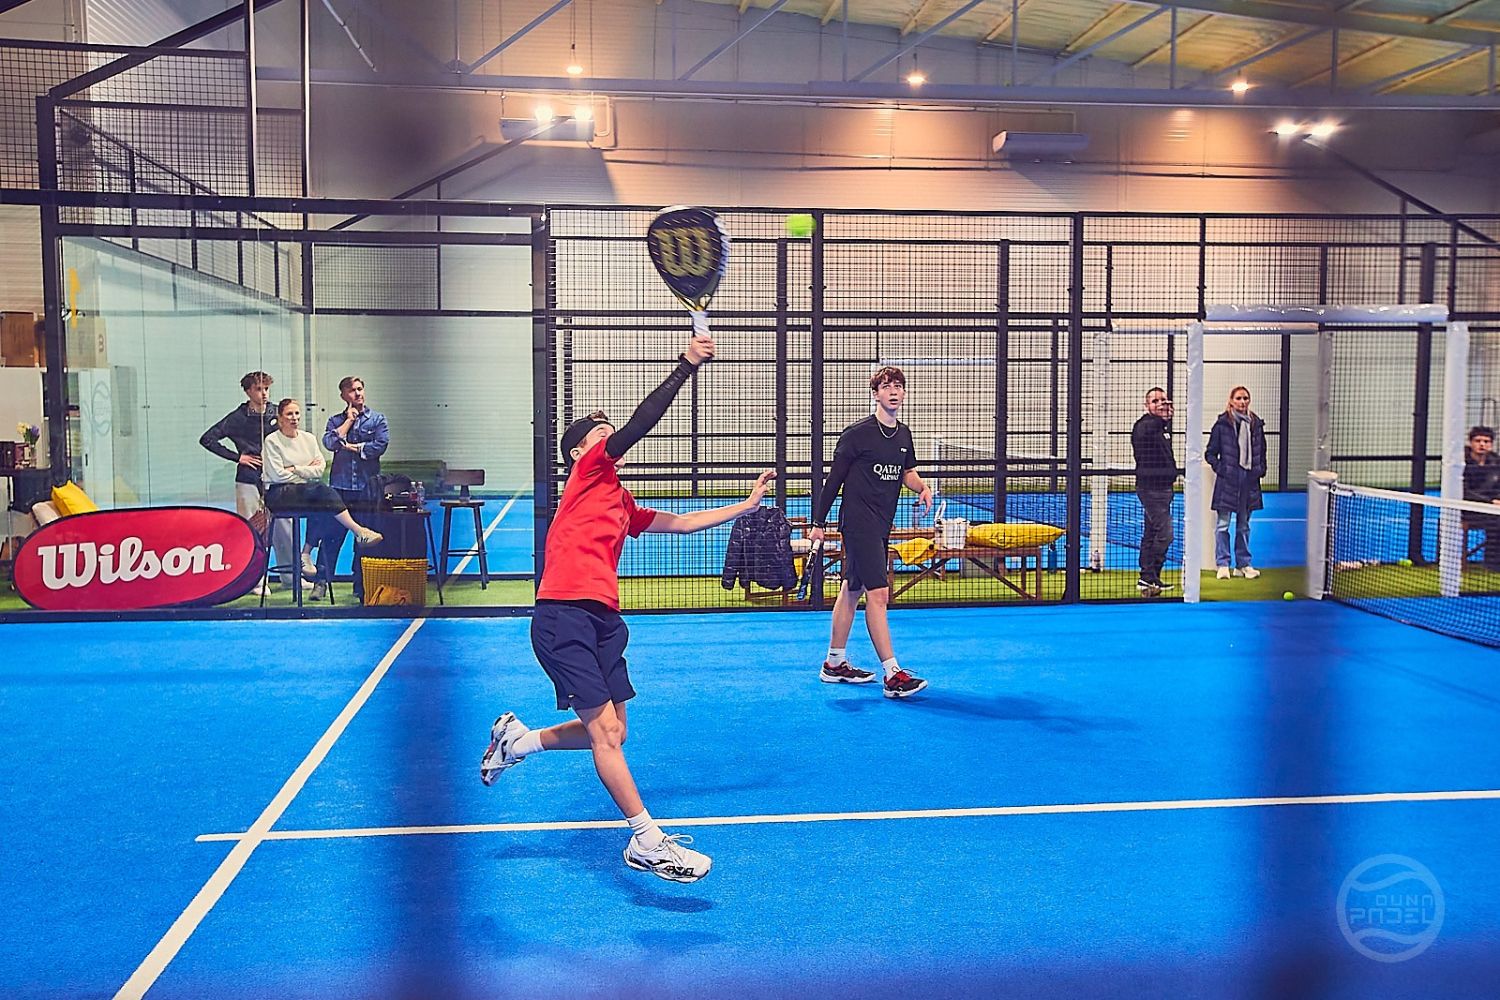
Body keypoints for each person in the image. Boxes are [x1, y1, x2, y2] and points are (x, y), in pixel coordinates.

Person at [480, 332, 773, 884]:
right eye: (599, 433)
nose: (609, 435)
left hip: (605, 622)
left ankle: (517, 741)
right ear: (579, 451)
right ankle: (647, 840)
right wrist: (685, 365)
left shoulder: (619, 498)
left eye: (607, 431)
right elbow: (640, 425)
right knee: (606, 735)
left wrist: (746, 505)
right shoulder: (586, 472)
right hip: (563, 615)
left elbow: (682, 523)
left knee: (614, 730)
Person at [808, 365, 933, 699]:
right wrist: (818, 523)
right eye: (887, 386)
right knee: (878, 594)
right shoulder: (857, 435)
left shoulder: (903, 435)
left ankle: (834, 663)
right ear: (875, 394)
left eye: (899, 386)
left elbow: (907, 472)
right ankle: (892, 674)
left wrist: (922, 487)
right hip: (858, 523)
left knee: (852, 589)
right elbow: (833, 481)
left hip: (882, 523)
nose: (894, 391)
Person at [261, 398, 383, 600]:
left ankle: (306, 553)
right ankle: (357, 530)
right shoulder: (272, 441)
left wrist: (294, 469)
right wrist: (304, 470)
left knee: (323, 502)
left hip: (306, 491)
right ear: (280, 418)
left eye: (297, 413)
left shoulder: (308, 439)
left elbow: (319, 469)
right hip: (279, 494)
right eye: (289, 414)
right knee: (321, 491)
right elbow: (277, 474)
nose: (294, 418)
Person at [199, 371, 289, 596]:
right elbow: (207, 439)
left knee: (284, 526)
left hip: (276, 478)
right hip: (248, 478)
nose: (264, 393)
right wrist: (238, 457)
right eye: (259, 389)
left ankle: (290, 576)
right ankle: (255, 581)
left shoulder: (276, 413)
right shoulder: (237, 418)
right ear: (248, 392)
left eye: (266, 388)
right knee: (253, 529)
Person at [320, 376, 390, 602]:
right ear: (343, 395)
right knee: (331, 537)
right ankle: (321, 582)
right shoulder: (335, 421)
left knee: (365, 538)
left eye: (360, 389)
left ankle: (361, 584)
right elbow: (330, 443)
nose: (357, 393)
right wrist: (348, 422)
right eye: (352, 390)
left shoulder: (377, 419)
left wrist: (354, 448)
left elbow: (380, 445)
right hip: (339, 489)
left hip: (367, 488)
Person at [1204, 385, 1266, 581]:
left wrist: (1259, 470)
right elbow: (1210, 453)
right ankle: (1223, 564)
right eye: (1238, 398)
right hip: (1228, 483)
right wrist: (1223, 470)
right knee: (1223, 525)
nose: (1242, 402)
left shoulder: (1256, 425)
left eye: (1245, 398)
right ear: (1231, 401)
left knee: (1244, 526)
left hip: (1249, 482)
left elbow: (1262, 451)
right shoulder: (1221, 425)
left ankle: (1243, 565)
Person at [1131, 387, 1178, 596]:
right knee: (1166, 534)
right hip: (1150, 489)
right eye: (1155, 401)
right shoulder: (1144, 426)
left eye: (1163, 400)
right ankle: (1149, 575)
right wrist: (1163, 418)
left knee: (1150, 534)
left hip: (1165, 489)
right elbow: (1150, 428)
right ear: (1147, 405)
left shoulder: (1161, 430)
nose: (1160, 404)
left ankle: (1149, 579)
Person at [1463, 425, 1500, 570]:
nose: (1482, 444)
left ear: (1491, 444)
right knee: (1496, 521)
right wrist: (1489, 502)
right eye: (1478, 441)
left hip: (1493, 508)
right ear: (1471, 443)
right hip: (1467, 510)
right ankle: (1492, 563)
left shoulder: (1496, 462)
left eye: (1486, 441)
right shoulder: (1460, 463)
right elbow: (1463, 491)